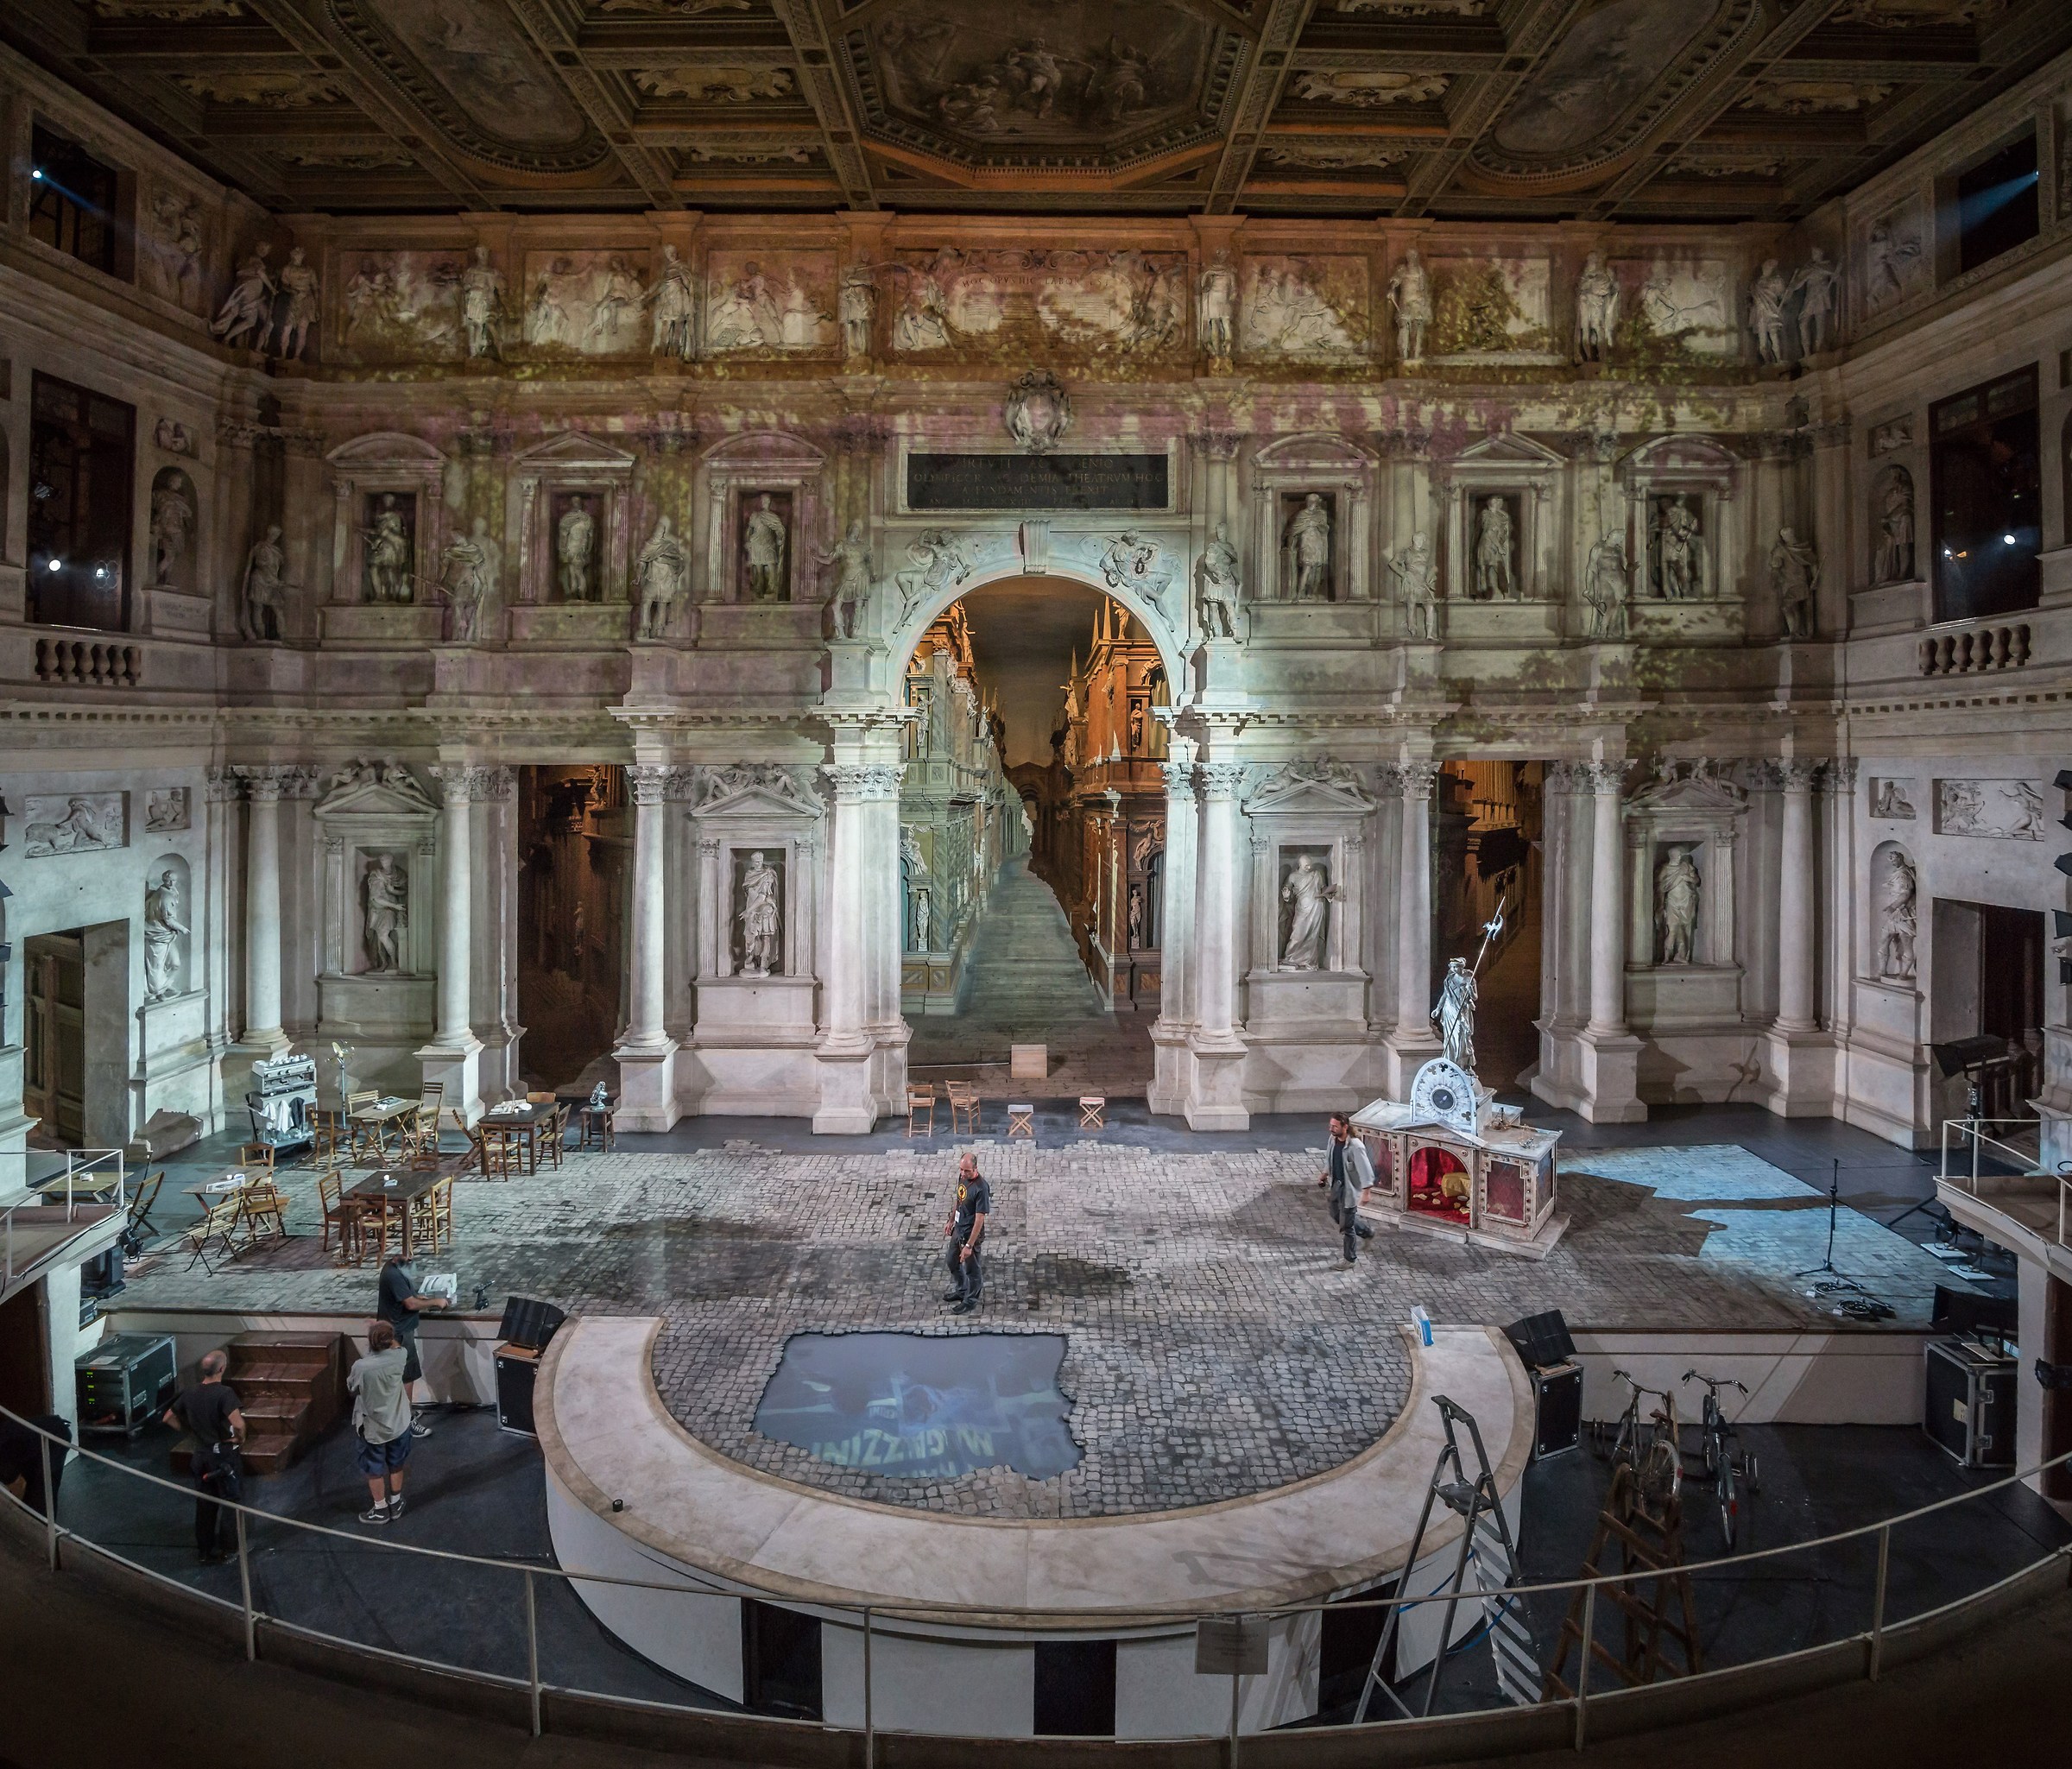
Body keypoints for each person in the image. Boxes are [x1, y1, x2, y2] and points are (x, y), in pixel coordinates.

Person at [162, 1349, 244, 1564]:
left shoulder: (190, 1392)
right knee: (230, 1502)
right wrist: (239, 1439)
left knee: (205, 1503)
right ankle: (230, 1549)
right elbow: (238, 1424)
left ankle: (204, 1551)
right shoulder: (225, 1394)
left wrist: (190, 1432)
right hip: (223, 1456)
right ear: (222, 1369)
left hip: (201, 1455)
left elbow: (168, 1417)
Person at [349, 1320, 414, 1525]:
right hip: (399, 1423)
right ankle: (396, 1502)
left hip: (373, 1429)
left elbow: (352, 1387)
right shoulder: (400, 1356)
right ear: (391, 1340)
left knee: (374, 1468)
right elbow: (396, 1345)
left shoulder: (361, 1367)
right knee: (396, 1464)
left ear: (371, 1342)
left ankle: (380, 1509)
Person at [376, 1253, 450, 1434]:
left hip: (400, 1330)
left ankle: (404, 1413)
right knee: (406, 1377)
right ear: (395, 1256)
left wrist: (423, 1300)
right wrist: (435, 1302)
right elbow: (409, 1304)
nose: (410, 1258)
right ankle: (406, 1421)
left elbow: (408, 1296)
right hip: (398, 1334)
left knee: (406, 1376)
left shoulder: (397, 1271)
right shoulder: (393, 1274)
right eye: (406, 1255)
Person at [1317, 1112, 1377, 1265]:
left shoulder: (1355, 1146)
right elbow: (1329, 1158)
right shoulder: (1333, 1139)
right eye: (1330, 1126)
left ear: (1345, 1127)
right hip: (1336, 1185)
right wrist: (1324, 1174)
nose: (1331, 1129)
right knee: (1336, 1214)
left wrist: (1366, 1193)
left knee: (1347, 1227)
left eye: (1335, 1126)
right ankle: (1366, 1232)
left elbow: (1365, 1170)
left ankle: (1349, 1259)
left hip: (1349, 1190)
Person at [942, 1152, 989, 1316]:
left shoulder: (981, 1188)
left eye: (967, 1171)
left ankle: (970, 1301)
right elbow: (959, 1200)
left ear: (975, 1168)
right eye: (961, 1169)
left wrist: (969, 1245)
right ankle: (962, 1289)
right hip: (959, 1228)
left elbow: (979, 1219)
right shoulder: (962, 1178)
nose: (963, 1173)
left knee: (972, 1270)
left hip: (970, 1234)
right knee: (951, 1261)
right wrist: (951, 1220)